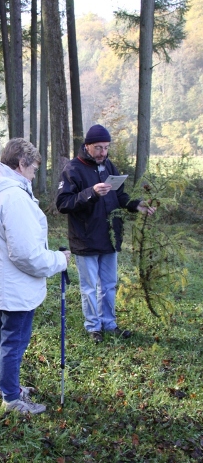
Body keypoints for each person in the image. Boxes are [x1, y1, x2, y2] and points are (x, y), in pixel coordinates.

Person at [0, 138, 70, 415]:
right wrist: (58, 260)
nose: (34, 175)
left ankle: (7, 386)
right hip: (14, 286)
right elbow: (25, 254)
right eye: (33, 169)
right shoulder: (13, 196)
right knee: (13, 341)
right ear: (21, 164)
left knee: (2, 336)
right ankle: (12, 399)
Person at [56, 124, 156, 343]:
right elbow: (63, 203)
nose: (103, 152)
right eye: (98, 148)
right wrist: (90, 193)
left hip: (110, 237)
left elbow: (119, 196)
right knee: (89, 288)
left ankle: (109, 324)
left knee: (109, 285)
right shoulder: (73, 169)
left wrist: (137, 205)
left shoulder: (109, 165)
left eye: (106, 148)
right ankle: (93, 327)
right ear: (87, 146)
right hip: (85, 238)